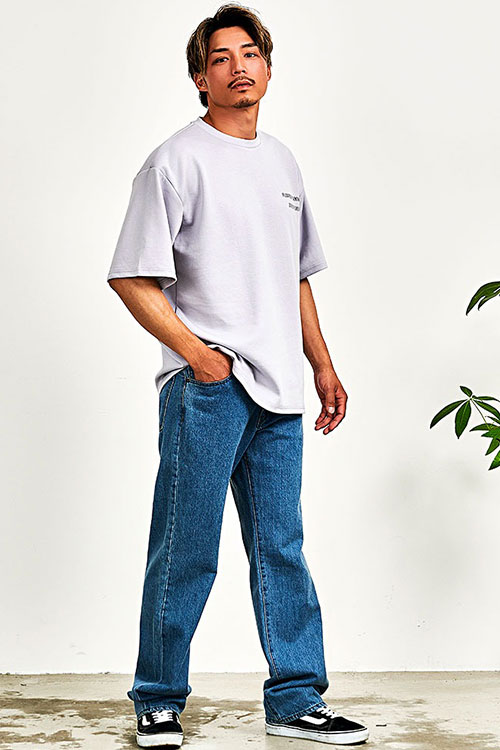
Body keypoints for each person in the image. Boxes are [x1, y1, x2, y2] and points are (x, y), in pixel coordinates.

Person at [107, 3, 369, 747]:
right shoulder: (174, 161)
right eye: (220, 58)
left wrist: (322, 364)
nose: (238, 67)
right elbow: (131, 276)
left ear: (269, 68)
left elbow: (294, 275)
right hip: (208, 392)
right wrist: (199, 358)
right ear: (201, 78)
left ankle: (296, 700)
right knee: (185, 549)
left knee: (282, 549)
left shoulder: (282, 163)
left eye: (250, 53)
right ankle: (159, 698)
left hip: (281, 389)